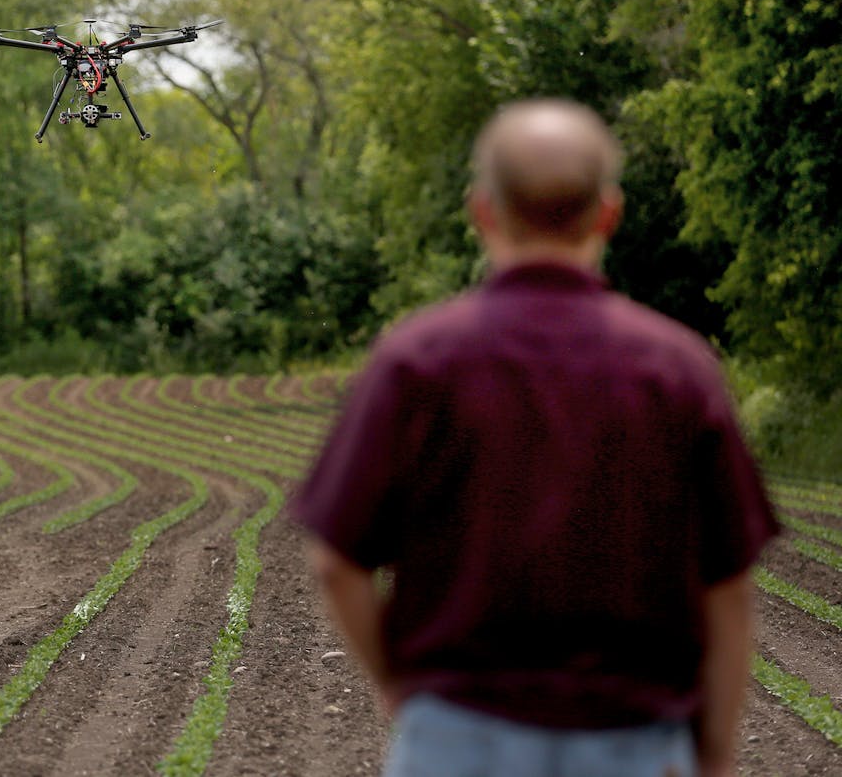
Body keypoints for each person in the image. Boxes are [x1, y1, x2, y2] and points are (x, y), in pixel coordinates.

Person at [292, 99, 778, 777]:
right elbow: (727, 587)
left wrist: (401, 685)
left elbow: (335, 561)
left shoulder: (417, 360)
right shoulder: (678, 367)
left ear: (483, 211)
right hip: (633, 740)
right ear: (608, 212)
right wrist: (716, 752)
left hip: (455, 739)